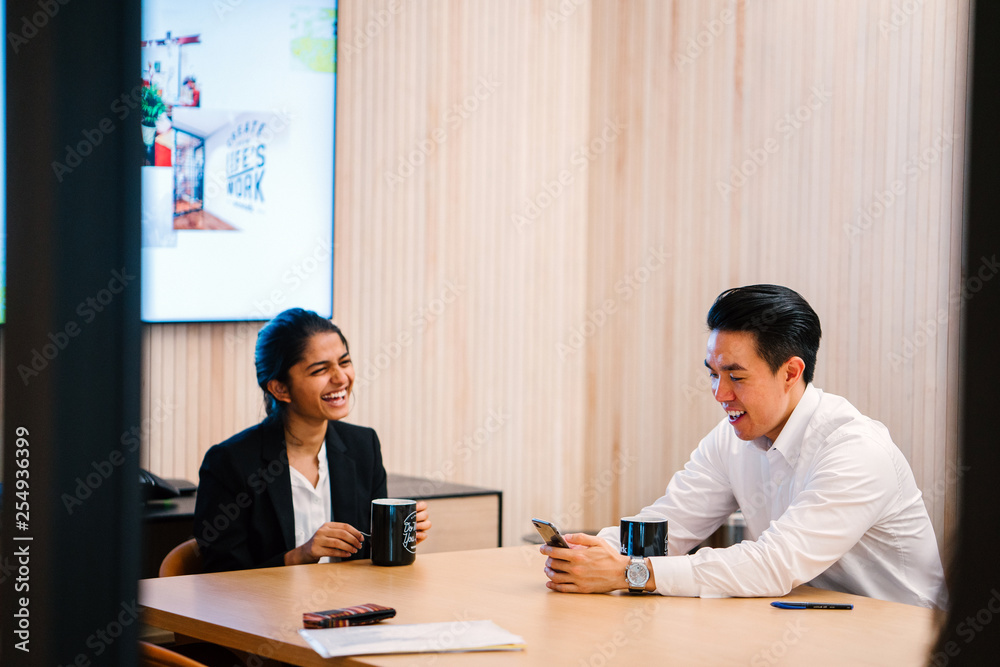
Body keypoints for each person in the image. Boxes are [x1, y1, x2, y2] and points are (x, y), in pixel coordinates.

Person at [541, 285, 946, 608]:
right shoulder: (732, 437)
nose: (720, 394)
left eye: (736, 376)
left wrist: (629, 574)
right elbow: (671, 524)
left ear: (790, 372)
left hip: (901, 635)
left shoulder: (854, 449)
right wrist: (592, 552)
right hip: (808, 619)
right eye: (713, 374)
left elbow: (774, 563)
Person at [194, 308, 431, 572]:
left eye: (344, 362)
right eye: (320, 370)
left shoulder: (364, 446)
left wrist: (398, 536)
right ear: (280, 388)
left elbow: (367, 555)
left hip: (351, 607)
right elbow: (220, 577)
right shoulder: (230, 462)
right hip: (266, 611)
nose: (341, 378)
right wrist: (300, 555)